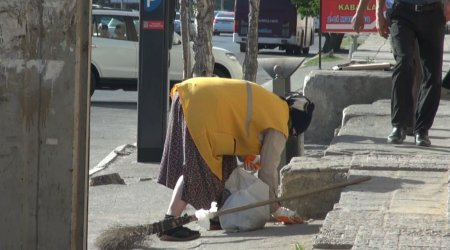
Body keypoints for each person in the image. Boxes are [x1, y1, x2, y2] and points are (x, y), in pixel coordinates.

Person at [157, 77, 315, 241]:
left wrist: (245, 154)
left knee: (226, 168)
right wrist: (276, 210)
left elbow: (237, 119)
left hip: (190, 95)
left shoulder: (273, 105)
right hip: (202, 108)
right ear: (295, 128)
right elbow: (267, 172)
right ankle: (170, 223)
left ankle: (217, 217)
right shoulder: (281, 123)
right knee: (196, 171)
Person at [354, 0, 447, 147]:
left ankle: (422, 130)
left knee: (433, 76)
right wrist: (374, 13)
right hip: (402, 13)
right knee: (404, 64)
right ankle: (399, 125)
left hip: (433, 13)